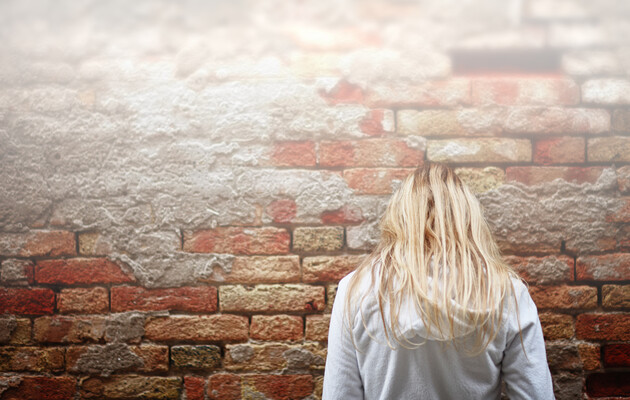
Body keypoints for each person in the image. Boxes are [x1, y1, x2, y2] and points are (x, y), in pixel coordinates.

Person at [322, 162, 555, 400]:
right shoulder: (507, 291)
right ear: (467, 217)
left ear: (400, 216)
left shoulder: (355, 289)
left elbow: (339, 394)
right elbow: (536, 394)